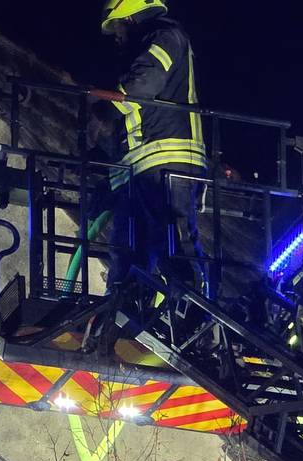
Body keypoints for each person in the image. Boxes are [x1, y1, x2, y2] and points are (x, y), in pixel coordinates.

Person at [94, 0, 209, 295]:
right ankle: (121, 312)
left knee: (172, 243)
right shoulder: (140, 50)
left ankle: (196, 311)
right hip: (141, 168)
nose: (116, 36)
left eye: (117, 26)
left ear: (131, 18)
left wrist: (105, 105)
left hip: (167, 164)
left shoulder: (166, 36)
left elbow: (142, 85)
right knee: (128, 253)